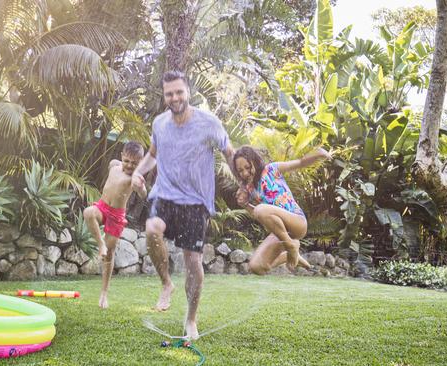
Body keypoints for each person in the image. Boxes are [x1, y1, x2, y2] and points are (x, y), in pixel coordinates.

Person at [131, 71, 235, 340]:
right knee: (152, 228)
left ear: (188, 92)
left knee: (193, 261)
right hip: (165, 194)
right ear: (164, 96)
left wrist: (246, 184)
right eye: (169, 94)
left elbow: (230, 154)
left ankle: (191, 319)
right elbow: (152, 156)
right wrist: (138, 173)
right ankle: (167, 284)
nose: (174, 97)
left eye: (179, 92)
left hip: (195, 202)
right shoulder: (159, 124)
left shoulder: (208, 123)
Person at [233, 145, 331, 275]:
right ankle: (288, 253)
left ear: (254, 161)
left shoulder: (271, 169)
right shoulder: (250, 188)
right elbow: (261, 215)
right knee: (256, 266)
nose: (244, 173)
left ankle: (290, 245)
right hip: (280, 232)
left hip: (297, 222)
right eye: (240, 171)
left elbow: (300, 163)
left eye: (247, 167)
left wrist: (318, 154)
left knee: (260, 209)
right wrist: (245, 204)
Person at [83, 141, 147, 309]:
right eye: (127, 161)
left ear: (140, 163)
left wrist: (141, 188)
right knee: (88, 212)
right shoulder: (114, 165)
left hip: (116, 216)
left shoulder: (135, 178)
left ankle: (104, 293)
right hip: (102, 207)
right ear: (122, 157)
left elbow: (142, 192)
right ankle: (100, 244)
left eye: (134, 163)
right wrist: (120, 164)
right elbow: (114, 164)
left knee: (109, 255)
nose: (129, 165)